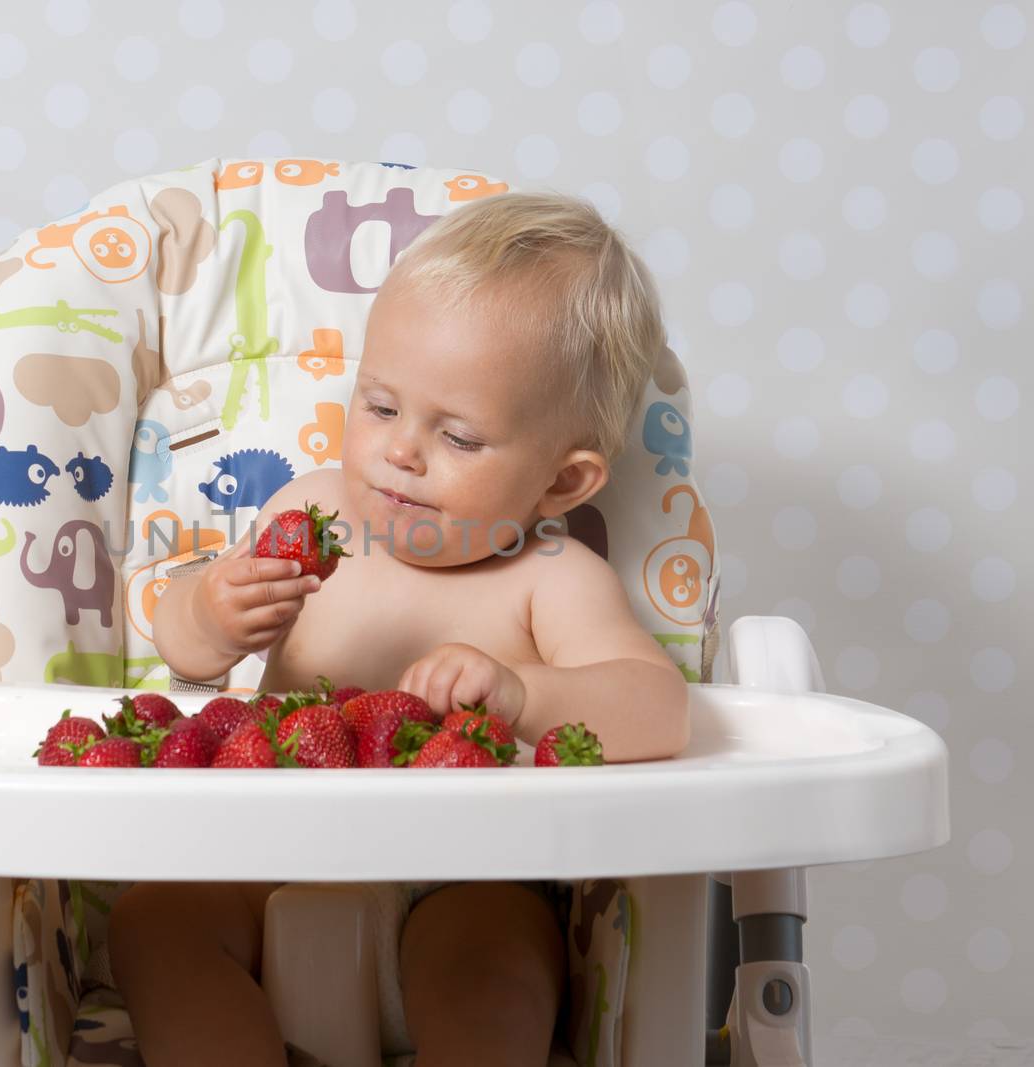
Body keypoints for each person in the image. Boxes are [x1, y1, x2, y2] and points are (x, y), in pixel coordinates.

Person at [114, 190, 691, 1066]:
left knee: (495, 972)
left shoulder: (551, 579)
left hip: (464, 878)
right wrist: (210, 609)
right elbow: (185, 652)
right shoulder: (311, 507)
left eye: (458, 435)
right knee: (155, 921)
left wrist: (523, 693)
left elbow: (660, 709)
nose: (401, 451)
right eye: (380, 407)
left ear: (561, 484)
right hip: (273, 850)